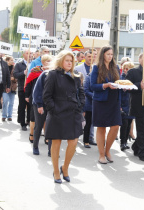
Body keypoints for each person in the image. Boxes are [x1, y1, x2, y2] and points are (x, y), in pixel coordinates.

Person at [43, 50, 85, 183]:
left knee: (73, 142)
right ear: (61, 61)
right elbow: (47, 96)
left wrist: (79, 106)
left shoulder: (76, 76)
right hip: (57, 113)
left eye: (71, 61)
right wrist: (54, 110)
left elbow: (81, 93)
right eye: (67, 60)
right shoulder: (53, 75)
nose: (69, 63)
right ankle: (56, 171)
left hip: (73, 113)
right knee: (56, 143)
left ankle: (65, 167)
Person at [90, 45, 121, 164]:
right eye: (108, 54)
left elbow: (119, 82)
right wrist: (106, 85)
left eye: (112, 54)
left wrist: (123, 87)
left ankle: (108, 150)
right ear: (103, 55)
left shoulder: (116, 67)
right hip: (101, 101)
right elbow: (92, 86)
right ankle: (101, 154)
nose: (110, 56)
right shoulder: (96, 68)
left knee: (116, 126)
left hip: (114, 100)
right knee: (101, 127)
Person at [126, 52, 144, 161]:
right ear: (140, 59)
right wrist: (138, 85)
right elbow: (127, 86)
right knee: (141, 129)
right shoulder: (133, 72)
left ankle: (135, 145)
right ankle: (142, 152)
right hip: (139, 105)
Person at [28, 54, 52, 155]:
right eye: (47, 61)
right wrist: (39, 105)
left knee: (51, 127)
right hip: (40, 103)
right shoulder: (43, 74)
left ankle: (51, 150)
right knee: (39, 125)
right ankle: (35, 146)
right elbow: (36, 91)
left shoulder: (55, 73)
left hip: (51, 104)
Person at [75, 50, 96, 145]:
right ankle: (76, 136)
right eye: (89, 56)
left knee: (91, 120)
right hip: (80, 97)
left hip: (91, 99)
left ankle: (90, 138)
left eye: (93, 56)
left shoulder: (96, 68)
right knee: (80, 120)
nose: (91, 58)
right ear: (85, 57)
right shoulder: (78, 68)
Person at [13, 49, 31, 131]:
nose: (29, 55)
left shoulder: (34, 64)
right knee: (22, 106)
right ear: (23, 55)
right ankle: (22, 123)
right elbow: (15, 74)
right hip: (22, 88)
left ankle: (29, 121)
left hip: (31, 88)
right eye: (27, 53)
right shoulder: (19, 65)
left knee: (30, 106)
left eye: (31, 53)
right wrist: (23, 73)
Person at [120, 61, 135, 151]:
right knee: (124, 124)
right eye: (125, 69)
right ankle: (122, 142)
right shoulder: (121, 79)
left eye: (129, 69)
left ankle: (125, 141)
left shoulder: (133, 79)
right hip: (124, 104)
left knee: (129, 124)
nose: (127, 70)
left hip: (131, 104)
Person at [2, 56, 17, 121]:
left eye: (13, 60)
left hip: (13, 87)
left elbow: (17, 76)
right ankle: (4, 115)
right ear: (7, 61)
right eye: (11, 60)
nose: (12, 61)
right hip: (5, 87)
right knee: (5, 101)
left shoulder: (15, 68)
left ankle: (9, 116)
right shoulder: (3, 68)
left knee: (11, 102)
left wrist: (14, 79)